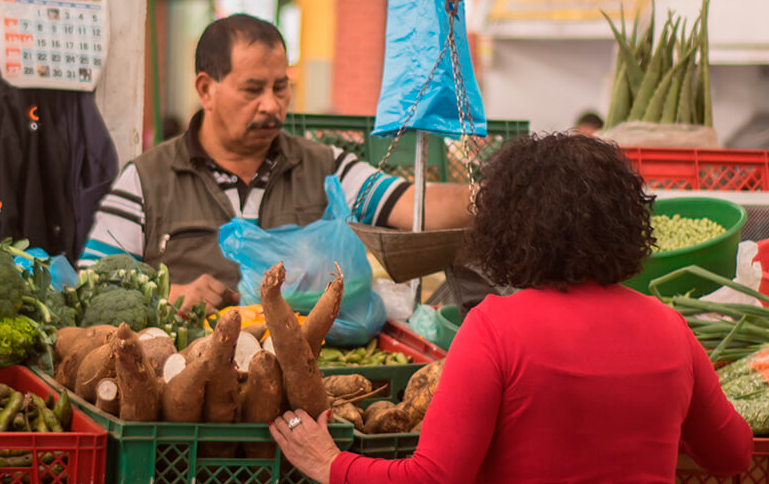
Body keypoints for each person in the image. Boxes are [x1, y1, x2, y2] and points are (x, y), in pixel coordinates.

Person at [269, 133, 753, 484]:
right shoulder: (669, 327)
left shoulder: (494, 328)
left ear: (508, 229)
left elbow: (435, 478)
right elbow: (732, 454)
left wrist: (331, 463)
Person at [78, 14, 472, 314]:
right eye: (252, 90)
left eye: (280, 88)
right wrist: (169, 293)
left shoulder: (325, 167)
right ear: (205, 89)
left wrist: (501, 197)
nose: (271, 104)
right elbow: (89, 286)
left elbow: (413, 204)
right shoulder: (147, 180)